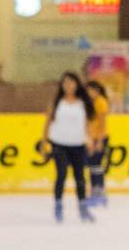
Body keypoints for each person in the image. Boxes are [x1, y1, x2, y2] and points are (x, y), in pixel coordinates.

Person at [41, 72, 95, 223]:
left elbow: (87, 124)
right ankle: (58, 206)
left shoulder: (83, 103)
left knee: (80, 177)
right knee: (61, 174)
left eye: (71, 82)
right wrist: (44, 143)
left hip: (78, 144)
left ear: (77, 84)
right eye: (65, 83)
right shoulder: (57, 103)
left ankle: (82, 207)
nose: (68, 86)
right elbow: (47, 123)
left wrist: (90, 139)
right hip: (59, 144)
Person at [84, 79, 111, 208]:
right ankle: (96, 192)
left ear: (97, 91)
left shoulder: (101, 102)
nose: (88, 93)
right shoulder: (89, 103)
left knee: (96, 165)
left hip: (99, 138)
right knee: (92, 165)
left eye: (90, 91)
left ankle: (99, 192)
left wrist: (99, 141)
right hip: (91, 138)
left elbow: (102, 123)